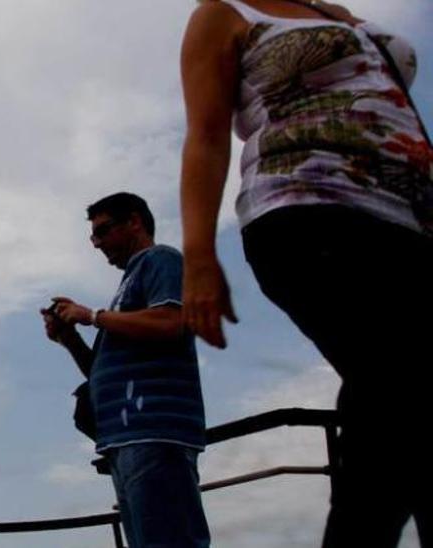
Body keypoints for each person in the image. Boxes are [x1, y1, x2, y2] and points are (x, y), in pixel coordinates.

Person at [178, 0, 432, 544]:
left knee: (407, 397)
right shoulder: (222, 15)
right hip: (307, 208)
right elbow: (204, 136)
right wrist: (199, 256)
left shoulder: (334, 11)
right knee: (394, 375)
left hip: (411, 219)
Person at [42, 193, 209, 547]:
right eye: (93, 236)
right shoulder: (129, 287)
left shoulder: (161, 260)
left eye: (103, 231)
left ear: (134, 221)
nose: (97, 243)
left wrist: (92, 317)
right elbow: (101, 371)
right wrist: (69, 339)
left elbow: (173, 321)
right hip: (127, 437)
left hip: (153, 430)